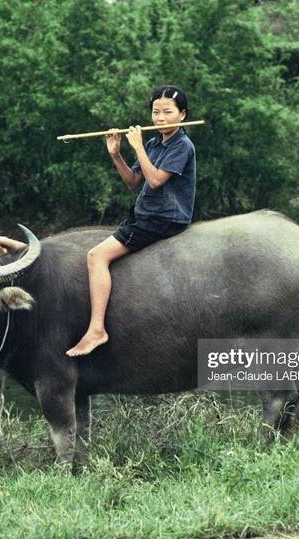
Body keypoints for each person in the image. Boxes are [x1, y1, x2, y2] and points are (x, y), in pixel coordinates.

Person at [66, 85, 196, 357]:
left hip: (163, 219)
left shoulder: (183, 145)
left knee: (96, 256)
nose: (159, 118)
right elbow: (132, 181)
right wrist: (116, 153)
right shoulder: (153, 143)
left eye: (167, 113)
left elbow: (156, 180)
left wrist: (137, 146)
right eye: (155, 112)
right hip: (144, 215)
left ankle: (97, 329)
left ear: (182, 115)